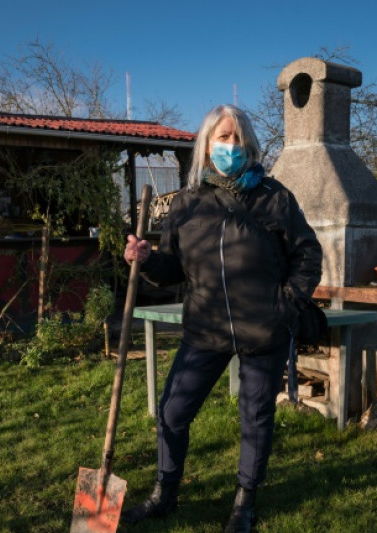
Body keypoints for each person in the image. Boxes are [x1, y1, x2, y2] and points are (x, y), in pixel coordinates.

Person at [121, 104, 322, 533]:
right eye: (221, 137)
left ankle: (244, 504)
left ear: (247, 142)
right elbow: (173, 268)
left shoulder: (275, 197)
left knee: (255, 416)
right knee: (173, 411)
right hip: (205, 329)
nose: (229, 145)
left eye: (235, 137)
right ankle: (164, 493)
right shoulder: (189, 205)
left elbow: (308, 254)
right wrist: (147, 259)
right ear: (207, 146)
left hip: (263, 328)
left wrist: (286, 304)